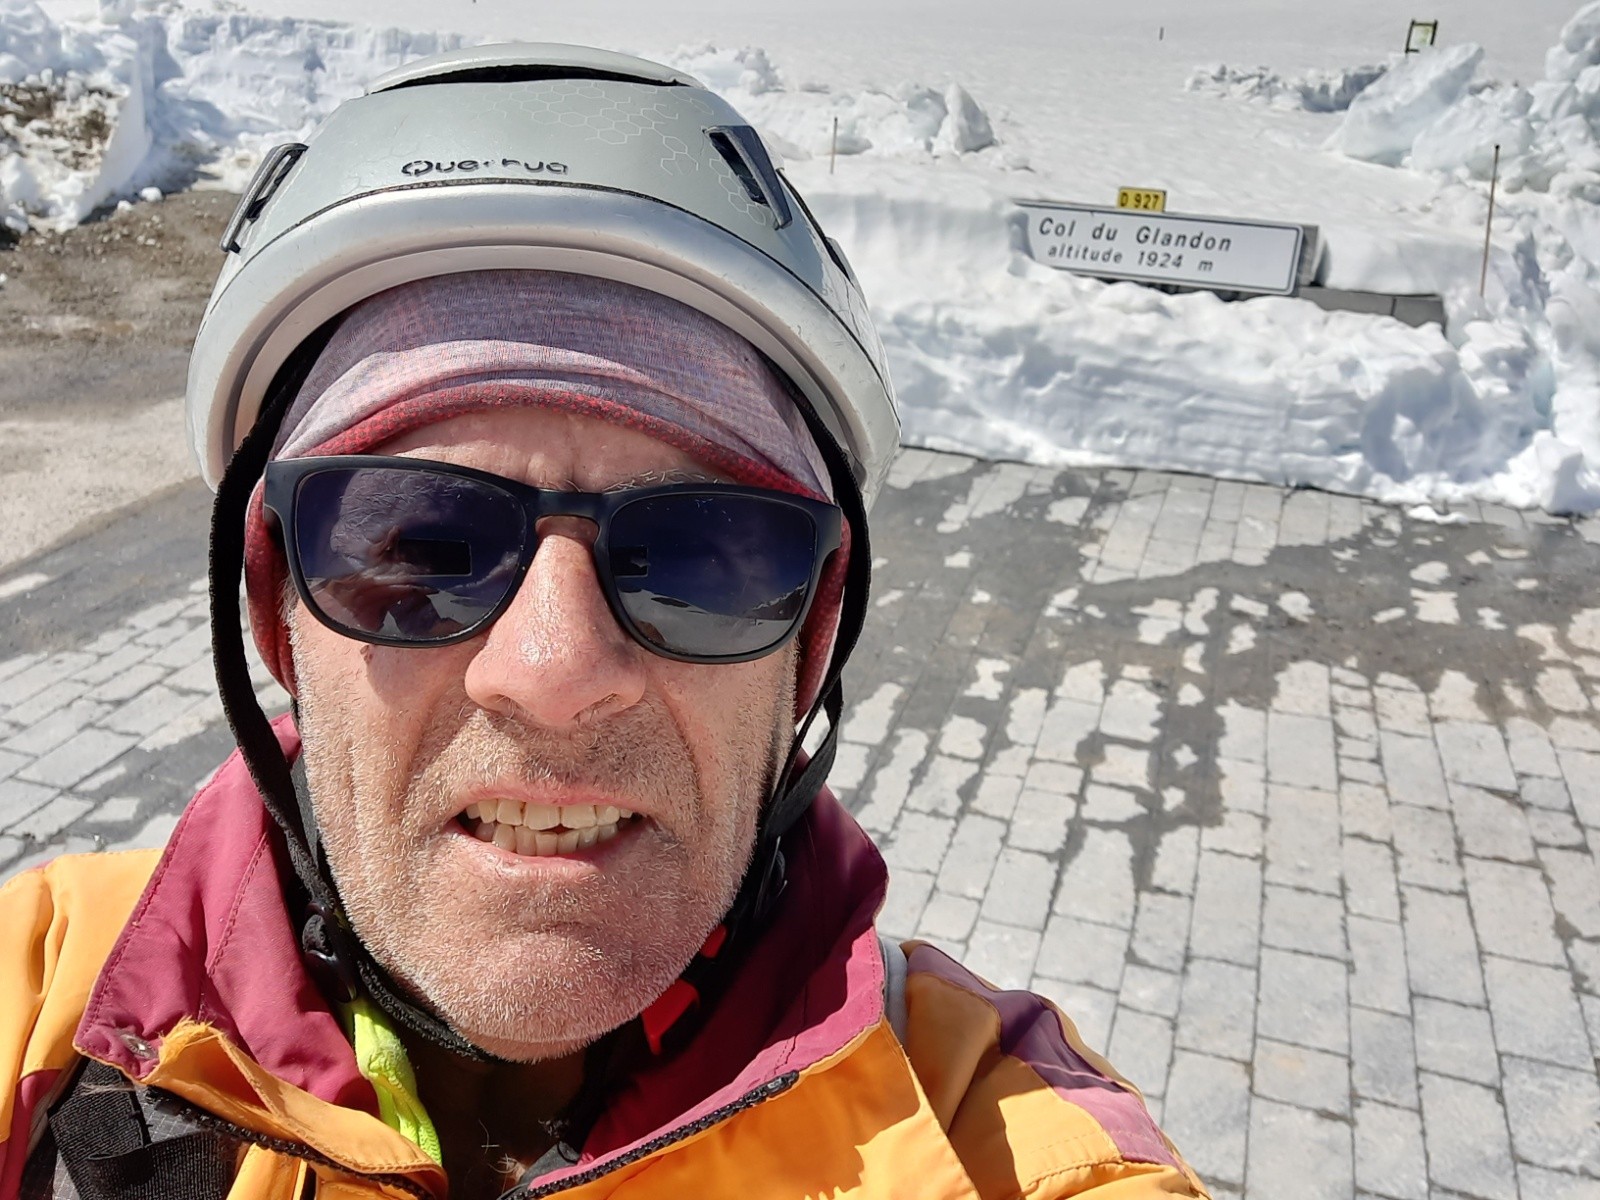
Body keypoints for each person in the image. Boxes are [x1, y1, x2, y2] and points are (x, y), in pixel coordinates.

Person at [0, 44, 1208, 1200]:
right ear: (275, 612)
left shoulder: (989, 1145)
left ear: (809, 643)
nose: (554, 668)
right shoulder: (42, 1004)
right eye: (422, 547)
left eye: (697, 558)